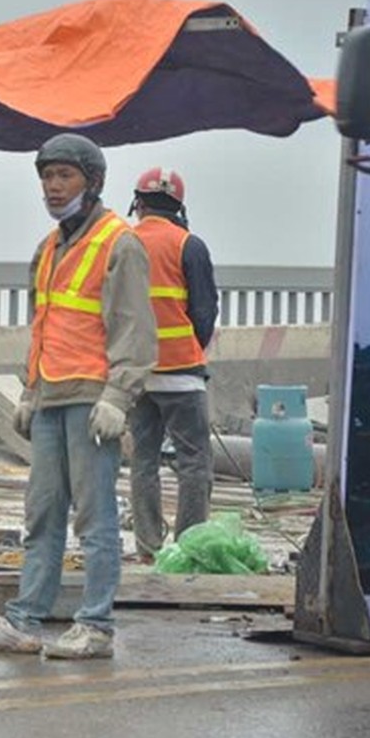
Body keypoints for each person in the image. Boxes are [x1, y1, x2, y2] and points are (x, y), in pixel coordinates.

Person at [0, 133, 155, 660]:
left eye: (63, 175)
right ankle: (24, 619)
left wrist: (119, 395)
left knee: (94, 518)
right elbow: (44, 326)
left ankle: (95, 625)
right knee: (42, 514)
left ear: (91, 182)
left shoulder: (120, 243)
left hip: (92, 400)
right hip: (50, 397)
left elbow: (134, 328)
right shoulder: (48, 249)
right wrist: (29, 391)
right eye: (46, 176)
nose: (51, 186)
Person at [125, 167, 219, 562]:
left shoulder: (122, 242)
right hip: (181, 373)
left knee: (143, 461)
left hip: (135, 374)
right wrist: (190, 352)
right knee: (194, 462)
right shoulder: (190, 245)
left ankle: (148, 548)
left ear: (139, 203)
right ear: (179, 206)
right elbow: (204, 310)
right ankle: (187, 550)